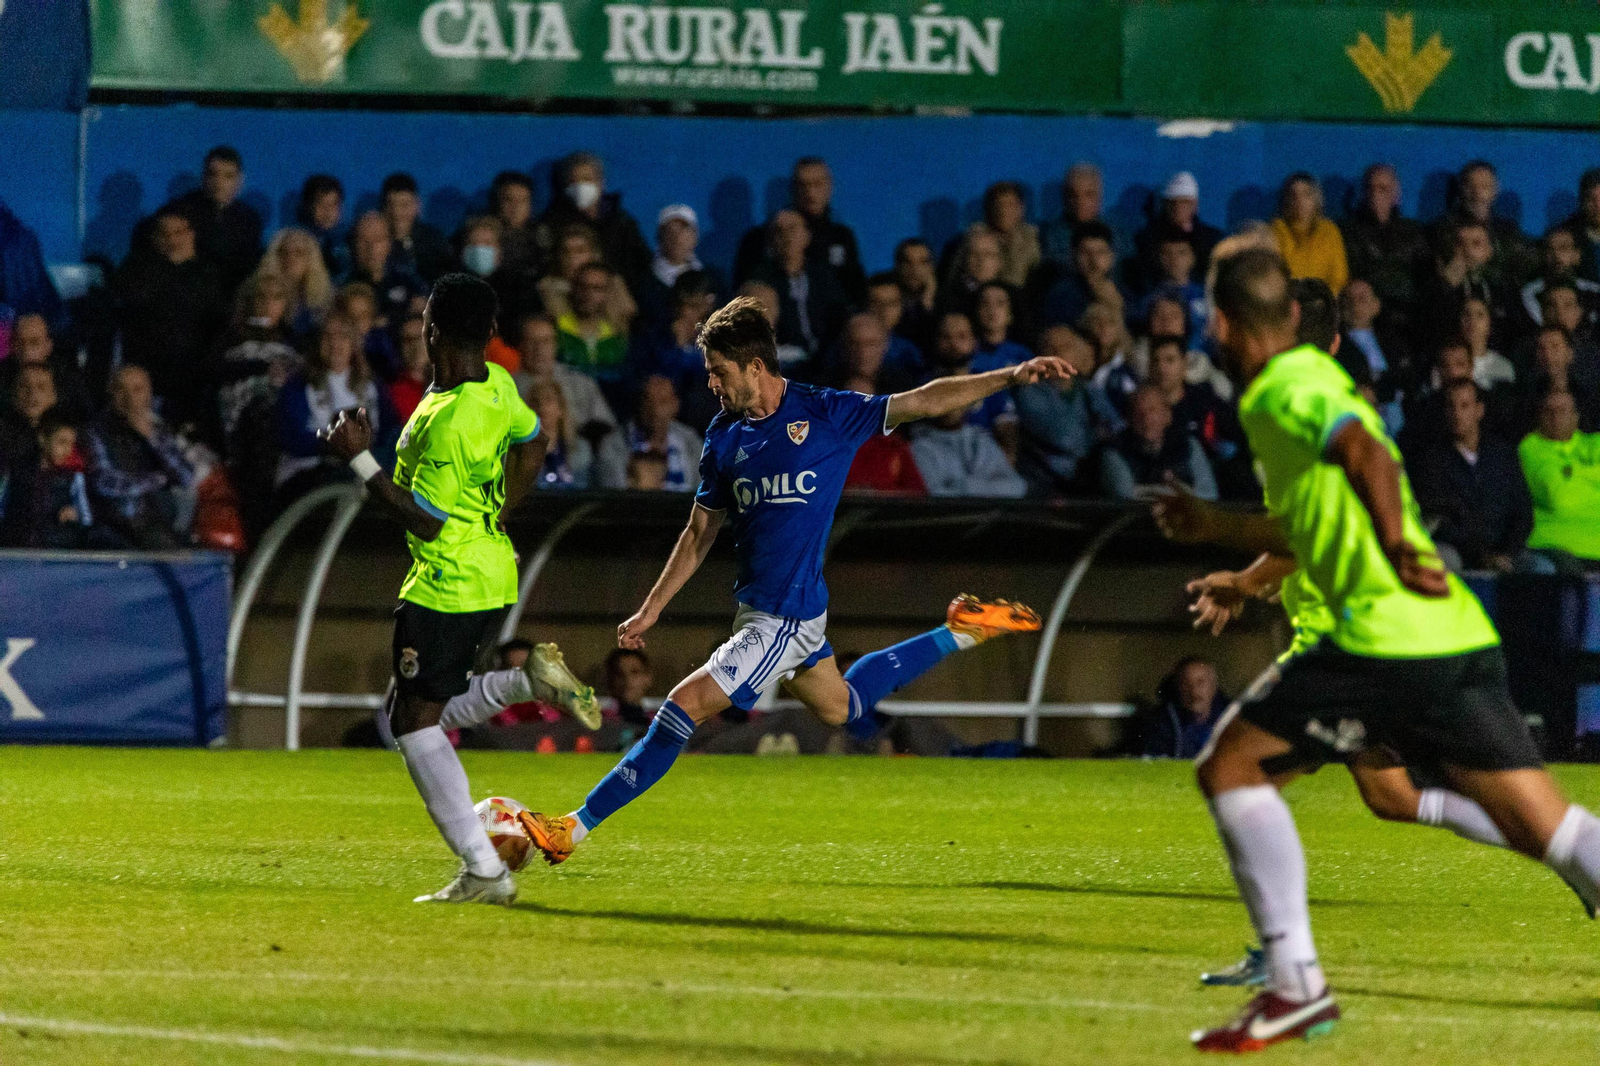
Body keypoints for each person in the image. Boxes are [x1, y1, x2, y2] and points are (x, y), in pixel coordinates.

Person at [1171, 246, 1600, 1050]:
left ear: (1221, 323)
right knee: (1545, 825)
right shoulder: (1320, 381)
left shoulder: (1283, 387)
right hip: (1450, 634)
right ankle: (1289, 975)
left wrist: (1397, 546)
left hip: (1375, 641)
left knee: (1232, 770)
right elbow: (1318, 513)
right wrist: (1223, 538)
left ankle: (1294, 982)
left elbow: (1365, 457)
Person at [513, 297, 1068, 864]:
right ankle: (959, 631)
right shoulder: (723, 436)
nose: (711, 384)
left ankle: (571, 828)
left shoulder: (826, 412)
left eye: (719, 372)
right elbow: (699, 530)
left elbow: (923, 400)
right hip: (767, 613)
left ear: (755, 367)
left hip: (784, 617)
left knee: (682, 706)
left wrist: (1010, 376)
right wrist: (653, 607)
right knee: (842, 706)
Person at [319, 272, 598, 904]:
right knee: (421, 706)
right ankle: (527, 682)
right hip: (491, 570)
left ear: (431, 330)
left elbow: (426, 519)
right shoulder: (497, 384)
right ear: (490, 333)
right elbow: (535, 442)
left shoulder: (449, 420)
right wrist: (500, 513)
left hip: (449, 582)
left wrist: (358, 456)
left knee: (412, 725)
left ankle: (484, 871)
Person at [113, 206, 227, 428]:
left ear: (191, 234)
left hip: (194, 376)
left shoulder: (209, 274)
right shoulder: (137, 269)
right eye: (164, 234)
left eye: (178, 232)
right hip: (148, 375)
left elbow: (217, 322)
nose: (172, 240)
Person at [1407, 379, 1532, 571]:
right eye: (1451, 407)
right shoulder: (1432, 460)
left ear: (1479, 410)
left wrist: (1506, 552)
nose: (1457, 414)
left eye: (1464, 406)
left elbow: (1522, 512)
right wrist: (1482, 556)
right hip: (1459, 551)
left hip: (1505, 552)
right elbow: (1440, 519)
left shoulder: (1502, 455)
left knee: (1539, 567)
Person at [273, 312, 395, 499]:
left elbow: (389, 429)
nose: (335, 344)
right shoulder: (299, 386)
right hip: (311, 474)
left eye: (343, 336)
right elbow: (289, 437)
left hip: (364, 471)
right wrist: (332, 443)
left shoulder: (372, 385)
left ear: (353, 343)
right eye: (328, 336)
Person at [85, 366, 195, 549]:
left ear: (149, 393)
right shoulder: (97, 431)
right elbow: (104, 481)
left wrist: (151, 438)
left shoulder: (158, 429)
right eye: (121, 390)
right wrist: (155, 480)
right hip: (114, 527)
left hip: (158, 524)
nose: (130, 397)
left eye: (137, 389)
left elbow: (186, 476)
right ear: (111, 394)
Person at [735, 157, 865, 303]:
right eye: (802, 185)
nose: (810, 192)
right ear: (793, 189)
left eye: (817, 184)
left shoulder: (842, 237)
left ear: (830, 187)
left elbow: (856, 288)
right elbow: (743, 290)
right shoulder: (759, 238)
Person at [1013, 324, 1117, 496]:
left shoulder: (1090, 390)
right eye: (1050, 348)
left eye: (1065, 347)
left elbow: (1116, 428)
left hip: (1088, 477)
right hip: (1045, 482)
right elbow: (1064, 437)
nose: (1057, 354)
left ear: (1077, 354)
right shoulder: (1028, 392)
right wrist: (1095, 435)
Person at [146, 146, 263, 294]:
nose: (219, 182)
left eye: (228, 176)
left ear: (240, 181)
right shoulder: (178, 212)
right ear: (203, 177)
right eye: (212, 174)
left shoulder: (249, 219)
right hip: (184, 293)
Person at [745, 209, 850, 372]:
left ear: (807, 236)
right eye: (779, 231)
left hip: (827, 356)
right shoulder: (761, 279)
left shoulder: (823, 276)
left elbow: (839, 314)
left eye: (792, 229)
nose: (786, 236)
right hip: (783, 360)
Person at [533, 152, 652, 295]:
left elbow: (642, 263)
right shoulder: (552, 223)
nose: (580, 186)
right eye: (573, 181)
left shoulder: (622, 222)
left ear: (601, 183)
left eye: (586, 179)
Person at [906, 367, 1027, 498]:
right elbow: (934, 496)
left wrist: (962, 487)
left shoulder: (981, 440)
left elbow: (1016, 487)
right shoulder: (919, 447)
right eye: (942, 398)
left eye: (957, 397)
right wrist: (989, 487)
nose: (951, 404)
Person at [1339, 163, 1429, 331]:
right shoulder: (1348, 231)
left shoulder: (1413, 232)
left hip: (1409, 314)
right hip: (1367, 314)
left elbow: (1424, 274)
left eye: (1383, 189)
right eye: (1370, 188)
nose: (1375, 195)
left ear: (1396, 195)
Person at [1519, 387, 1600, 571]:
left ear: (1575, 417)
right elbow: (1559, 498)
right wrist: (1591, 476)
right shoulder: (1530, 447)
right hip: (1554, 546)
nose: (1555, 417)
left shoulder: (1595, 443)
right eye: (1549, 411)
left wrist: (1571, 474)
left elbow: (1567, 490)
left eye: (1562, 411)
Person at [1100, 383, 1218, 501]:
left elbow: (1208, 495)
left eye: (1152, 410)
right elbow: (1127, 498)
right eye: (1139, 412)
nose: (1146, 418)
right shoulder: (1116, 452)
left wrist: (1146, 491)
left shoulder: (1188, 446)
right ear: (1129, 419)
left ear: (1167, 415)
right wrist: (1183, 493)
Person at [510, 312, 616, 442]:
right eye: (531, 341)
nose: (539, 349)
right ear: (520, 346)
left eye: (546, 341)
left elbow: (608, 430)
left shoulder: (582, 383)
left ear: (556, 344)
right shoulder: (508, 390)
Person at [0, 409, 97, 549]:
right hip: (18, 551)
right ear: (43, 439)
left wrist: (76, 515)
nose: (67, 450)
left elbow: (87, 518)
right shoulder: (16, 473)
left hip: (55, 552)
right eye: (61, 442)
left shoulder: (74, 478)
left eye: (71, 444)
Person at [594, 374, 701, 491]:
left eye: (663, 402)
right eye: (649, 402)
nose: (655, 411)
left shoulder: (690, 442)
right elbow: (614, 493)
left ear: (675, 405)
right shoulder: (614, 445)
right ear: (639, 405)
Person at [554, 262, 632, 410]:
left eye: (597, 289)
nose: (588, 294)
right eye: (583, 287)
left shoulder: (616, 338)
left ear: (607, 294)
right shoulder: (558, 331)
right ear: (574, 289)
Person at [636, 204, 724, 330]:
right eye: (669, 231)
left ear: (695, 236)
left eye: (683, 230)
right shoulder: (643, 284)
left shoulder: (715, 279)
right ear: (659, 237)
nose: (676, 237)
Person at [1134, 171, 1222, 290]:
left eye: (1184, 202)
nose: (1178, 208)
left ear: (1195, 205)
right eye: (1172, 202)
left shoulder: (1211, 239)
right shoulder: (1146, 239)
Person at [341, 211, 427, 330]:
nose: (371, 248)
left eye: (378, 240)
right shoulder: (344, 287)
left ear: (389, 244)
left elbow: (421, 314)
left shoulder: (410, 282)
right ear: (353, 244)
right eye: (364, 241)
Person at [251, 226, 333, 342]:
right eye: (283, 252)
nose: (290, 258)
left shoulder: (325, 296)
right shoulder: (257, 290)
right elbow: (249, 322)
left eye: (299, 253)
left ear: (310, 258)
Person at [1040, 221, 1126, 331]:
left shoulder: (1123, 287)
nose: (1093, 260)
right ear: (1074, 256)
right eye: (1086, 253)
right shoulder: (1062, 294)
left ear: (1111, 257)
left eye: (1100, 252)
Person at [1272, 173, 1348, 294]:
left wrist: (1324, 299)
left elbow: (1339, 278)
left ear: (1316, 199)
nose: (1299, 201)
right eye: (1293, 195)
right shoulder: (1276, 230)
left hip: (1324, 300)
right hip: (1287, 300)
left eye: (1306, 194)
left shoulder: (1329, 230)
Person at [1141, 657, 1226, 759]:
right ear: (1177, 688)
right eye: (1186, 684)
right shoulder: (1161, 722)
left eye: (1200, 682)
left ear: (1213, 686)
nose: (1194, 691)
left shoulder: (1232, 718)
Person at [380, 173, 453, 284]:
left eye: (404, 205)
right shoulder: (375, 242)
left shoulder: (434, 241)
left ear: (417, 205)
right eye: (391, 205)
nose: (396, 213)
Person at [892, 237, 939, 355]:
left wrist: (927, 305)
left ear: (932, 267)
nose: (915, 270)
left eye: (923, 262)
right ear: (898, 266)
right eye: (908, 262)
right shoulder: (886, 302)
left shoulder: (946, 304)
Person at [298, 174, 349, 278]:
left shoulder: (350, 241)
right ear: (308, 206)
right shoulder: (298, 243)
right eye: (321, 204)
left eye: (333, 204)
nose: (328, 211)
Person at [488, 170, 538, 275]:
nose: (515, 207)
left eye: (522, 200)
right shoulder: (483, 236)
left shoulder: (541, 238)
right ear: (497, 202)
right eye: (509, 200)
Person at [387, 313, 431, 421]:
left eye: (420, 338)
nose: (415, 345)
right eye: (408, 339)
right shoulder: (392, 391)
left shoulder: (450, 384)